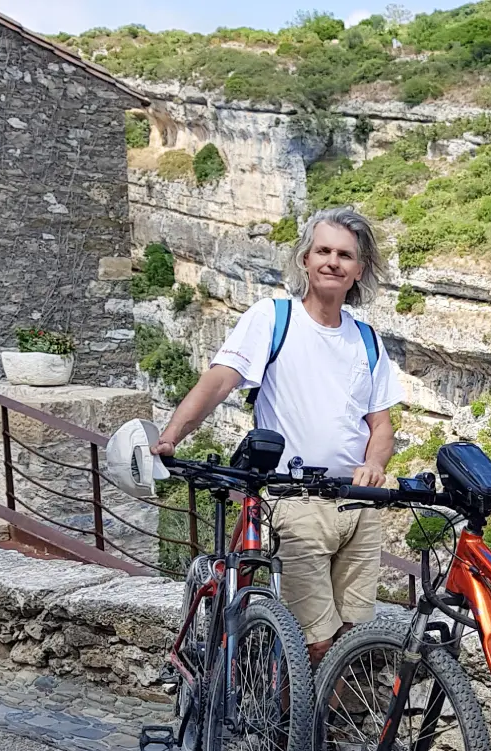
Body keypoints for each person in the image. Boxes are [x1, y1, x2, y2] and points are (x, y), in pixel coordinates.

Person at [155, 207, 404, 663]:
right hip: (295, 500)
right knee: (315, 641)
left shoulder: (367, 340)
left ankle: (315, 729)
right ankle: (295, 731)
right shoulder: (274, 317)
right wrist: (171, 437)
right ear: (305, 259)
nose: (333, 261)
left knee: (352, 638)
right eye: (323, 251)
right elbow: (219, 381)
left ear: (358, 271)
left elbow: (381, 425)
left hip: (359, 501)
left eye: (345, 255)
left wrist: (376, 464)